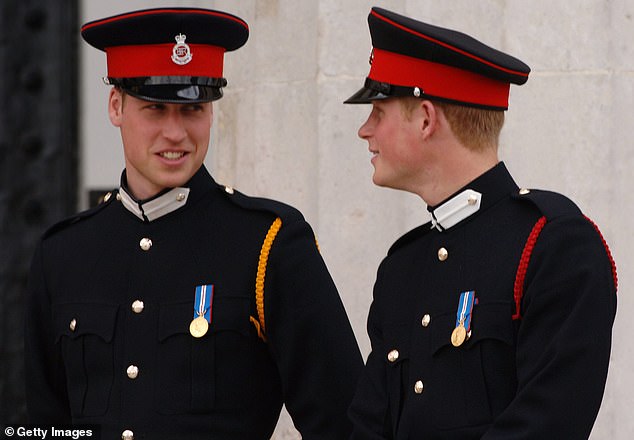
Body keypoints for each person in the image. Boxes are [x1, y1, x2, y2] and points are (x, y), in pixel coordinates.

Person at [25, 7, 363, 440]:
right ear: (116, 106)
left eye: (193, 109)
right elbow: (45, 427)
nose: (176, 133)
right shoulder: (63, 253)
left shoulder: (268, 243)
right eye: (155, 109)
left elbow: (344, 424)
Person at [344, 7, 617, 439]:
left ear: (427, 120)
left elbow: (549, 424)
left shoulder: (553, 244)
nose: (364, 130)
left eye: (378, 112)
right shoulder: (401, 268)